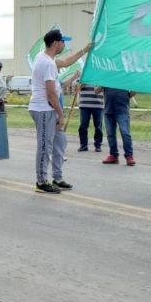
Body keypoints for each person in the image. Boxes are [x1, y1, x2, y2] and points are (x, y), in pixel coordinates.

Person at [29, 30, 90, 194]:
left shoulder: (47, 58)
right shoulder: (47, 63)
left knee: (59, 143)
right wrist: (60, 114)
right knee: (45, 146)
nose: (65, 45)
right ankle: (41, 182)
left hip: (49, 108)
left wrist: (85, 50)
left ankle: (57, 177)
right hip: (44, 109)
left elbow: (67, 62)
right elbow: (50, 93)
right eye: (63, 42)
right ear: (56, 43)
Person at [99, 87, 136, 166]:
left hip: (122, 110)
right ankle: (113, 155)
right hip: (108, 110)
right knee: (110, 134)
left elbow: (134, 90)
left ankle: (129, 156)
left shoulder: (124, 76)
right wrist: (102, 85)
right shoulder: (105, 78)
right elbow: (96, 91)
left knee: (125, 133)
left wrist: (126, 96)